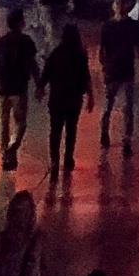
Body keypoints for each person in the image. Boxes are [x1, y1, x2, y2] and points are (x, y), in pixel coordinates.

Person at [37, 17, 93, 178]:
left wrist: (40, 88)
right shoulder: (80, 55)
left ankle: (54, 161)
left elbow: (45, 73)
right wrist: (90, 96)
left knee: (55, 130)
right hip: (74, 98)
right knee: (71, 129)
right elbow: (86, 76)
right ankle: (68, 158)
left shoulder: (56, 53)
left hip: (56, 98)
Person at [97, 1, 139, 158]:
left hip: (124, 71)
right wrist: (104, 67)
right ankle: (108, 133)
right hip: (116, 71)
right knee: (115, 106)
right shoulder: (115, 26)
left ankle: (125, 139)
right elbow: (101, 49)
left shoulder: (124, 26)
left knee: (123, 107)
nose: (119, 5)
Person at [0, 8, 40, 167]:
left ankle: (4, 156)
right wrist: (38, 84)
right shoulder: (27, 42)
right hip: (19, 89)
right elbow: (33, 65)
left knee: (2, 124)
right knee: (21, 123)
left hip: (1, 89)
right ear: (21, 23)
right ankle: (12, 148)